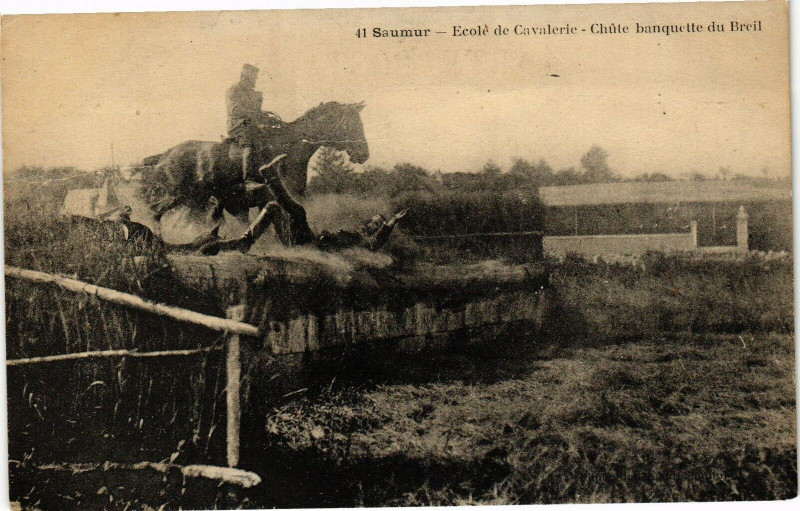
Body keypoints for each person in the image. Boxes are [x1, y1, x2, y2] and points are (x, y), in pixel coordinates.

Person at [226, 64, 274, 192]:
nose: (253, 82)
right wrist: (257, 114)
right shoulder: (233, 90)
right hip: (238, 125)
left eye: (254, 79)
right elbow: (235, 110)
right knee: (250, 141)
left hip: (252, 125)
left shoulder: (255, 94)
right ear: (243, 77)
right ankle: (249, 180)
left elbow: (257, 113)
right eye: (250, 79)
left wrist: (266, 117)